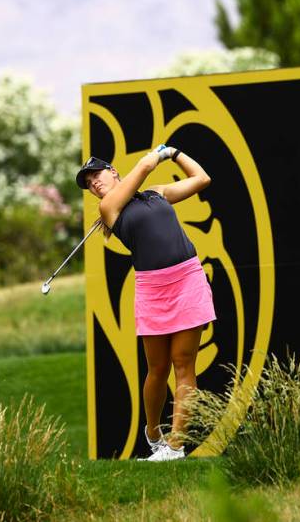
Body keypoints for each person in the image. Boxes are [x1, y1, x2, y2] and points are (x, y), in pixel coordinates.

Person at [77, 146, 214, 461]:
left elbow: (201, 178)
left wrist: (176, 153)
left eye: (96, 175)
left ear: (113, 172)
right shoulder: (109, 209)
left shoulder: (156, 194)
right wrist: (153, 158)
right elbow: (142, 169)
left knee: (183, 364)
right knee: (157, 368)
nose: (94, 184)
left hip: (188, 280)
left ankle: (176, 446)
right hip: (153, 289)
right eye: (88, 184)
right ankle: (153, 431)